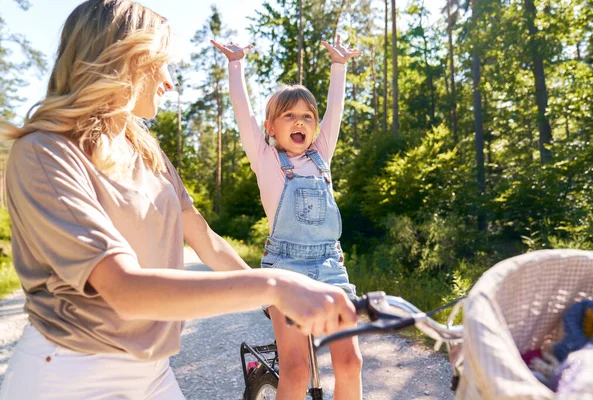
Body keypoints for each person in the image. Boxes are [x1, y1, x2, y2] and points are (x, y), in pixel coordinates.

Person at [0, 1, 357, 399]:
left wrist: (274, 302)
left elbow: (206, 241)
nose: (169, 81)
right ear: (125, 60)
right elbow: (122, 288)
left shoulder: (147, 151)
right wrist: (274, 286)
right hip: (71, 372)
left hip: (153, 370)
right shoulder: (44, 153)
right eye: (161, 64)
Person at [212, 35, 364, 399]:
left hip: (330, 267)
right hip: (285, 269)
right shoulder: (265, 159)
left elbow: (335, 110)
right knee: (295, 370)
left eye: (307, 117)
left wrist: (338, 67)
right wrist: (236, 65)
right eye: (290, 115)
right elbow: (242, 111)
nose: (301, 122)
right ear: (271, 127)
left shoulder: (321, 153)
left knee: (350, 363)